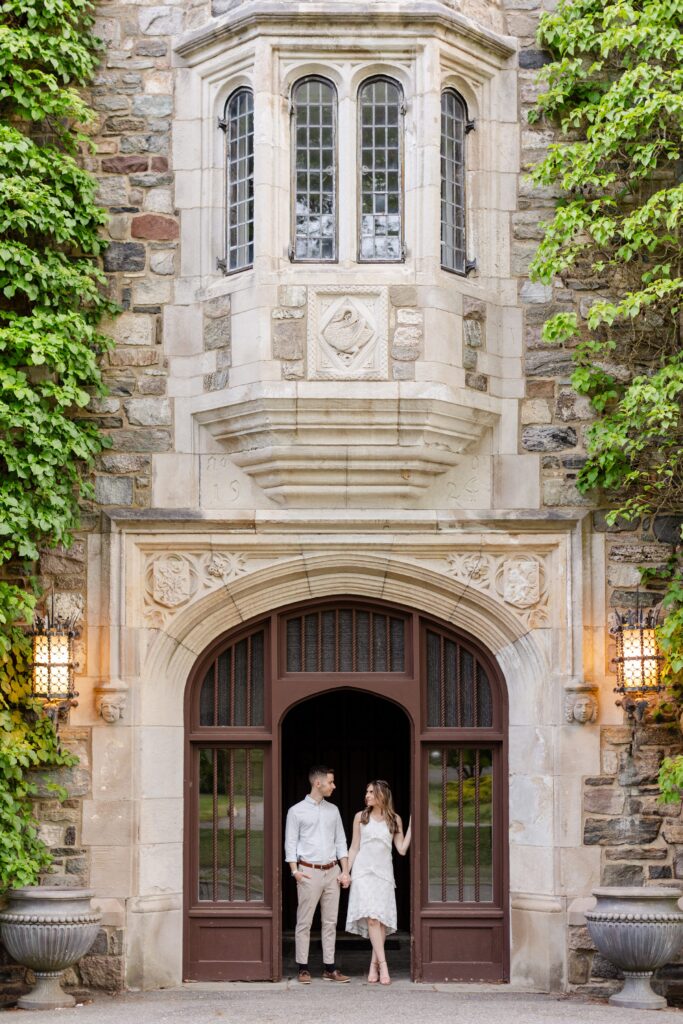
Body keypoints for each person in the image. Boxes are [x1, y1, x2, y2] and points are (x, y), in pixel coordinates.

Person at [284, 765, 351, 984]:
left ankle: (329, 968)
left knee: (330, 922)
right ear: (317, 783)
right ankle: (303, 968)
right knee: (304, 921)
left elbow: (341, 842)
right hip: (308, 872)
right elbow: (290, 843)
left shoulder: (334, 810)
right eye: (331, 782)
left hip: (332, 871)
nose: (334, 786)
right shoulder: (296, 811)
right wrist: (295, 872)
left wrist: (345, 871)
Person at [346, 779, 411, 986]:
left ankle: (373, 965)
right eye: (367, 792)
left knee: (380, 922)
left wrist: (413, 825)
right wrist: (345, 872)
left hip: (384, 875)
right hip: (363, 873)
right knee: (372, 919)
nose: (367, 795)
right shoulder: (360, 817)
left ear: (382, 795)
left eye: (371, 792)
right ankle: (383, 965)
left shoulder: (395, 820)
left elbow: (401, 849)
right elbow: (354, 847)